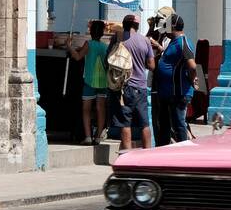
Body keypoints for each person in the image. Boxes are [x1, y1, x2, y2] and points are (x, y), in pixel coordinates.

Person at [151, 14, 198, 146]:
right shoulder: (173, 42)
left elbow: (192, 66)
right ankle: (163, 152)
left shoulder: (183, 43)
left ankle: (183, 153)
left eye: (166, 26)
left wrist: (193, 78)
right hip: (167, 93)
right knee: (164, 125)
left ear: (173, 27)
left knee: (178, 125)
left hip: (178, 93)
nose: (164, 29)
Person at [113, 13, 154, 150]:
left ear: (124, 25)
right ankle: (147, 153)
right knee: (144, 123)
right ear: (137, 26)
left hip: (124, 86)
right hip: (141, 87)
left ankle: (127, 154)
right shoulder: (145, 41)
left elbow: (109, 58)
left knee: (125, 123)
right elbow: (152, 66)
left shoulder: (118, 38)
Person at [69, 20, 110, 145]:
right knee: (100, 109)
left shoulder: (88, 44)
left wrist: (69, 46)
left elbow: (77, 57)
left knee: (86, 109)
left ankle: (87, 136)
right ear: (102, 33)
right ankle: (98, 137)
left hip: (89, 81)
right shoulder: (105, 46)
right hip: (103, 82)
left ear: (91, 32)